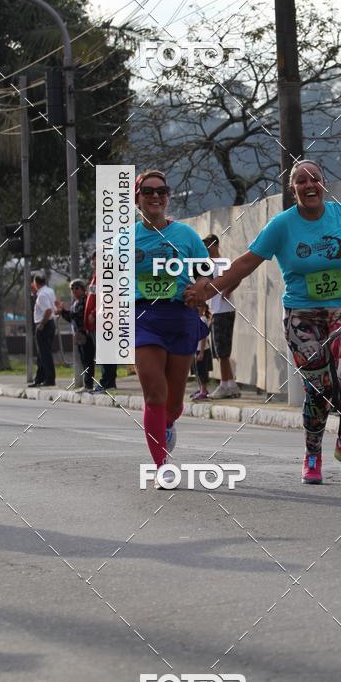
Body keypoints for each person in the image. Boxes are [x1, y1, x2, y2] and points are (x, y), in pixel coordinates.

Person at [185, 160, 341, 485]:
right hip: (302, 316)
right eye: (301, 181)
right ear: (292, 189)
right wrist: (207, 290)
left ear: (323, 184)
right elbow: (246, 262)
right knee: (319, 390)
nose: (309, 185)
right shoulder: (282, 226)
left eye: (315, 179)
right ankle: (312, 453)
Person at [134, 169, 210, 485]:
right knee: (154, 393)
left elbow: (206, 272)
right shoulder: (125, 239)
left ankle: (167, 424)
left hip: (180, 316)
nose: (155, 196)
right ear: (137, 198)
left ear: (167, 197)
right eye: (148, 191)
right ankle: (161, 465)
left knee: (174, 403)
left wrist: (200, 287)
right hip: (143, 317)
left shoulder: (186, 235)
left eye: (161, 191)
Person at [202, 234, 241, 399]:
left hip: (224, 310)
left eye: (209, 245)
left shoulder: (224, 263)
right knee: (218, 351)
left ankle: (224, 385)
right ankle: (232, 385)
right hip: (214, 311)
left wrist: (228, 290)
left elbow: (238, 276)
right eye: (205, 245)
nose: (206, 248)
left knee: (222, 352)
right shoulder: (206, 264)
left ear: (216, 245)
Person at [85, 249, 118, 393]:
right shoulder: (96, 276)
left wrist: (93, 313)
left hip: (104, 319)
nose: (93, 261)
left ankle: (106, 383)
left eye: (96, 258)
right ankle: (108, 382)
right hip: (97, 321)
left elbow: (108, 296)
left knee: (106, 353)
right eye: (92, 258)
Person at [56, 279, 94, 391]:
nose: (74, 291)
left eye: (76, 288)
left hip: (86, 333)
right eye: (72, 289)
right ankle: (87, 384)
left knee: (88, 360)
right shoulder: (75, 302)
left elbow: (78, 315)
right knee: (83, 360)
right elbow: (71, 318)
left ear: (82, 289)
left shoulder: (84, 300)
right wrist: (63, 312)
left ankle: (89, 385)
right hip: (79, 334)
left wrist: (64, 311)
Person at [29, 273, 57, 388]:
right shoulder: (49, 291)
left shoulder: (42, 295)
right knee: (42, 354)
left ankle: (49, 379)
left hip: (44, 325)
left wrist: (41, 324)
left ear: (36, 283)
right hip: (50, 324)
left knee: (44, 354)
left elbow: (48, 311)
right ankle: (39, 378)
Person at [190, 303, 213, 401]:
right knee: (197, 371)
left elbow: (203, 337)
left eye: (199, 306)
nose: (196, 308)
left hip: (202, 350)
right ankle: (201, 389)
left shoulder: (203, 319)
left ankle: (203, 391)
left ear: (203, 308)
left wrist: (202, 352)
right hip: (196, 349)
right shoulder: (197, 319)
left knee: (202, 371)